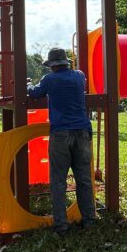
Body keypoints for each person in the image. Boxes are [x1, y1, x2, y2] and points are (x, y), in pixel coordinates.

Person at [27, 48, 96, 235]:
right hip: (82, 132)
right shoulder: (79, 76)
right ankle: (89, 221)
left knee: (58, 182)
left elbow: (35, 93)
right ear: (66, 62)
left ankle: (61, 226)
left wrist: (27, 85)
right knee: (84, 180)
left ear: (52, 65)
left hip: (60, 134)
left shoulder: (49, 79)